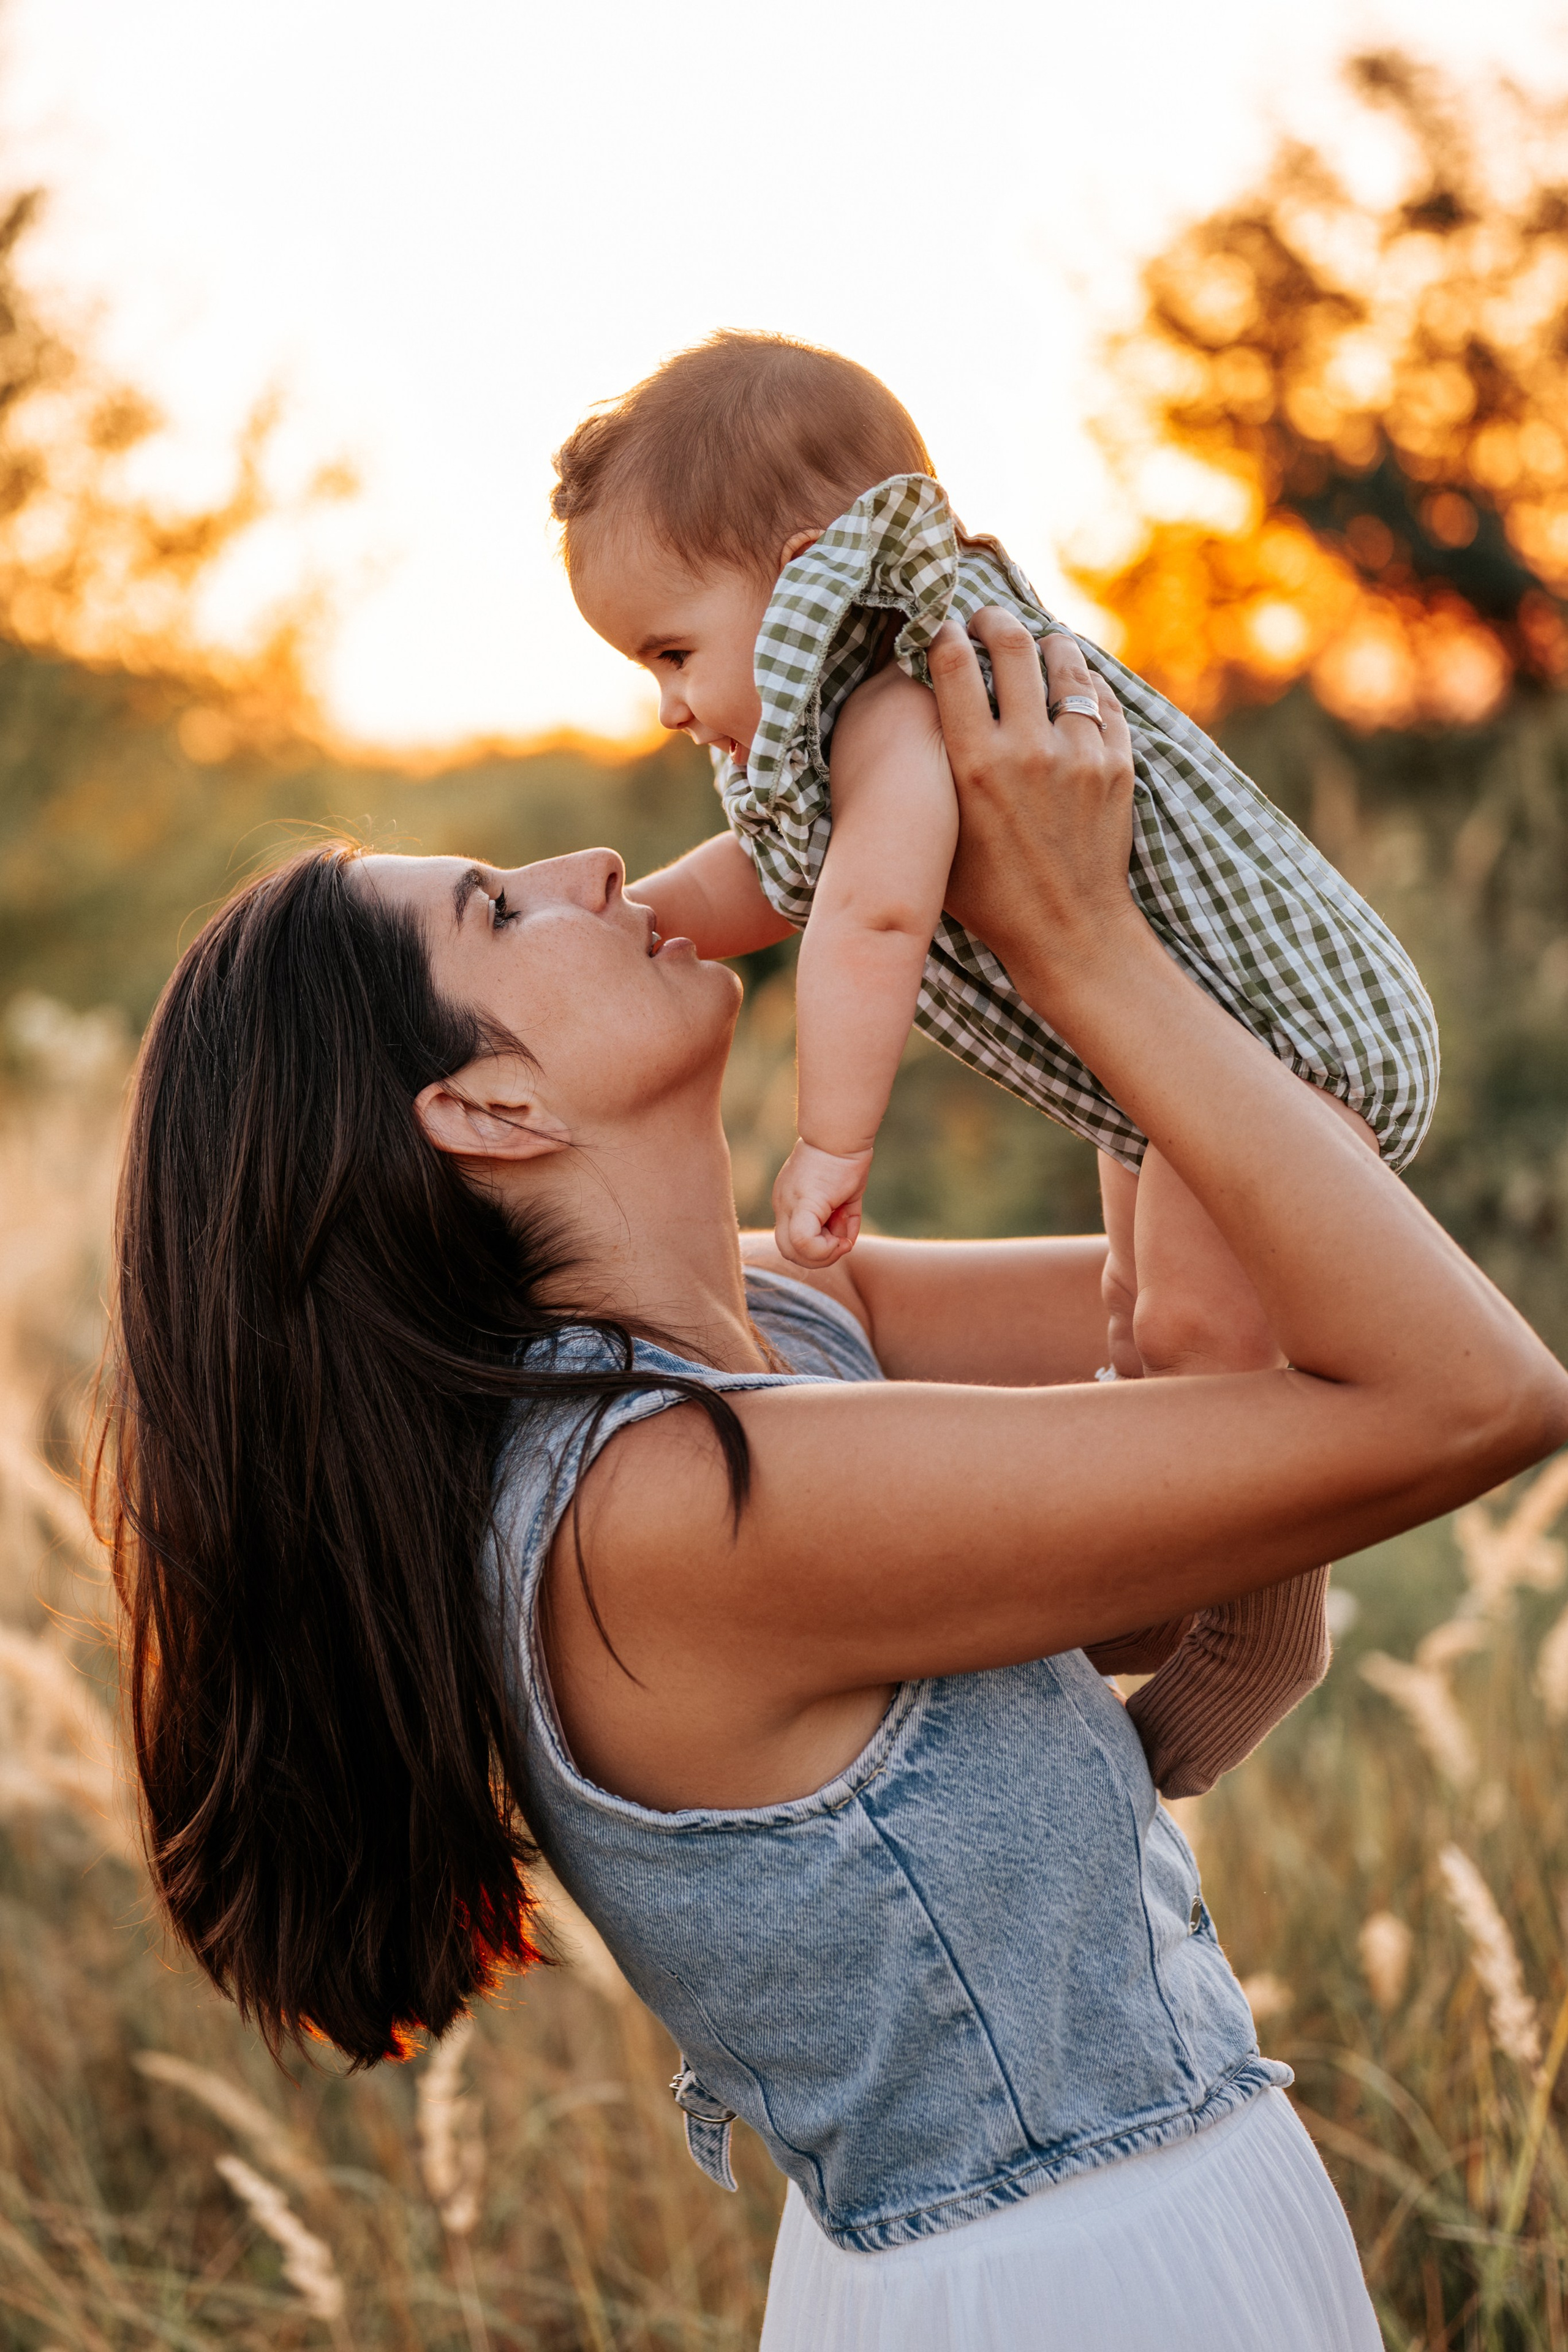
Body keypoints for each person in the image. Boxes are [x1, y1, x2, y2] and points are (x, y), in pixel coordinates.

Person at [104, 613, 1567, 2351]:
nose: (594, 859)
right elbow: (1462, 1395)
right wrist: (1080, 938)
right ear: (489, 1110)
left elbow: (1266, 1334)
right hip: (1059, 2291)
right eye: (501, 910)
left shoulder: (782, 1320)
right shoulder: (666, 1516)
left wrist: (1064, 876)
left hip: (1169, 2219)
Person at [552, 330, 1422, 1796]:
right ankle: (1158, 1567)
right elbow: (769, 881)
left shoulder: (904, 694)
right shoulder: (836, 726)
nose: (664, 704)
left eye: (672, 652)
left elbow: (870, 914)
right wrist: (638, 920)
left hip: (1264, 1043)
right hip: (1158, 1071)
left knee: (1214, 1344)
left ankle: (1264, 1630)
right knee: (1133, 1318)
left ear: (801, 571)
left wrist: (832, 1142)